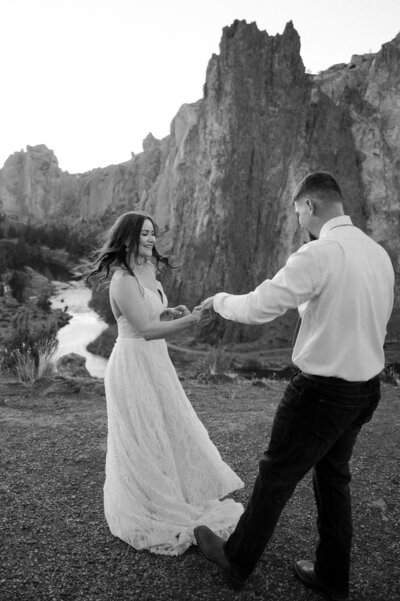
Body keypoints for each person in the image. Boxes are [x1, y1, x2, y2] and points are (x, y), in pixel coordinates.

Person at [194, 172, 395, 601]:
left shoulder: (319, 252)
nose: (299, 218)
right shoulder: (378, 254)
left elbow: (260, 306)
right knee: (333, 479)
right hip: (364, 390)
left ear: (309, 207)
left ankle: (237, 559)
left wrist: (217, 302)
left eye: (298, 211)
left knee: (275, 474)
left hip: (322, 392)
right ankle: (332, 576)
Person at [84, 211, 243, 556]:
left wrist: (168, 314)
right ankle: (150, 504)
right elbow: (144, 330)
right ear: (128, 238)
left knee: (167, 428)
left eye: (153, 233)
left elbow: (151, 318)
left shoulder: (147, 270)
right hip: (132, 364)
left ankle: (172, 493)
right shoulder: (123, 280)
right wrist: (189, 321)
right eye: (144, 234)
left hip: (156, 362)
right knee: (144, 435)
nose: (152, 239)